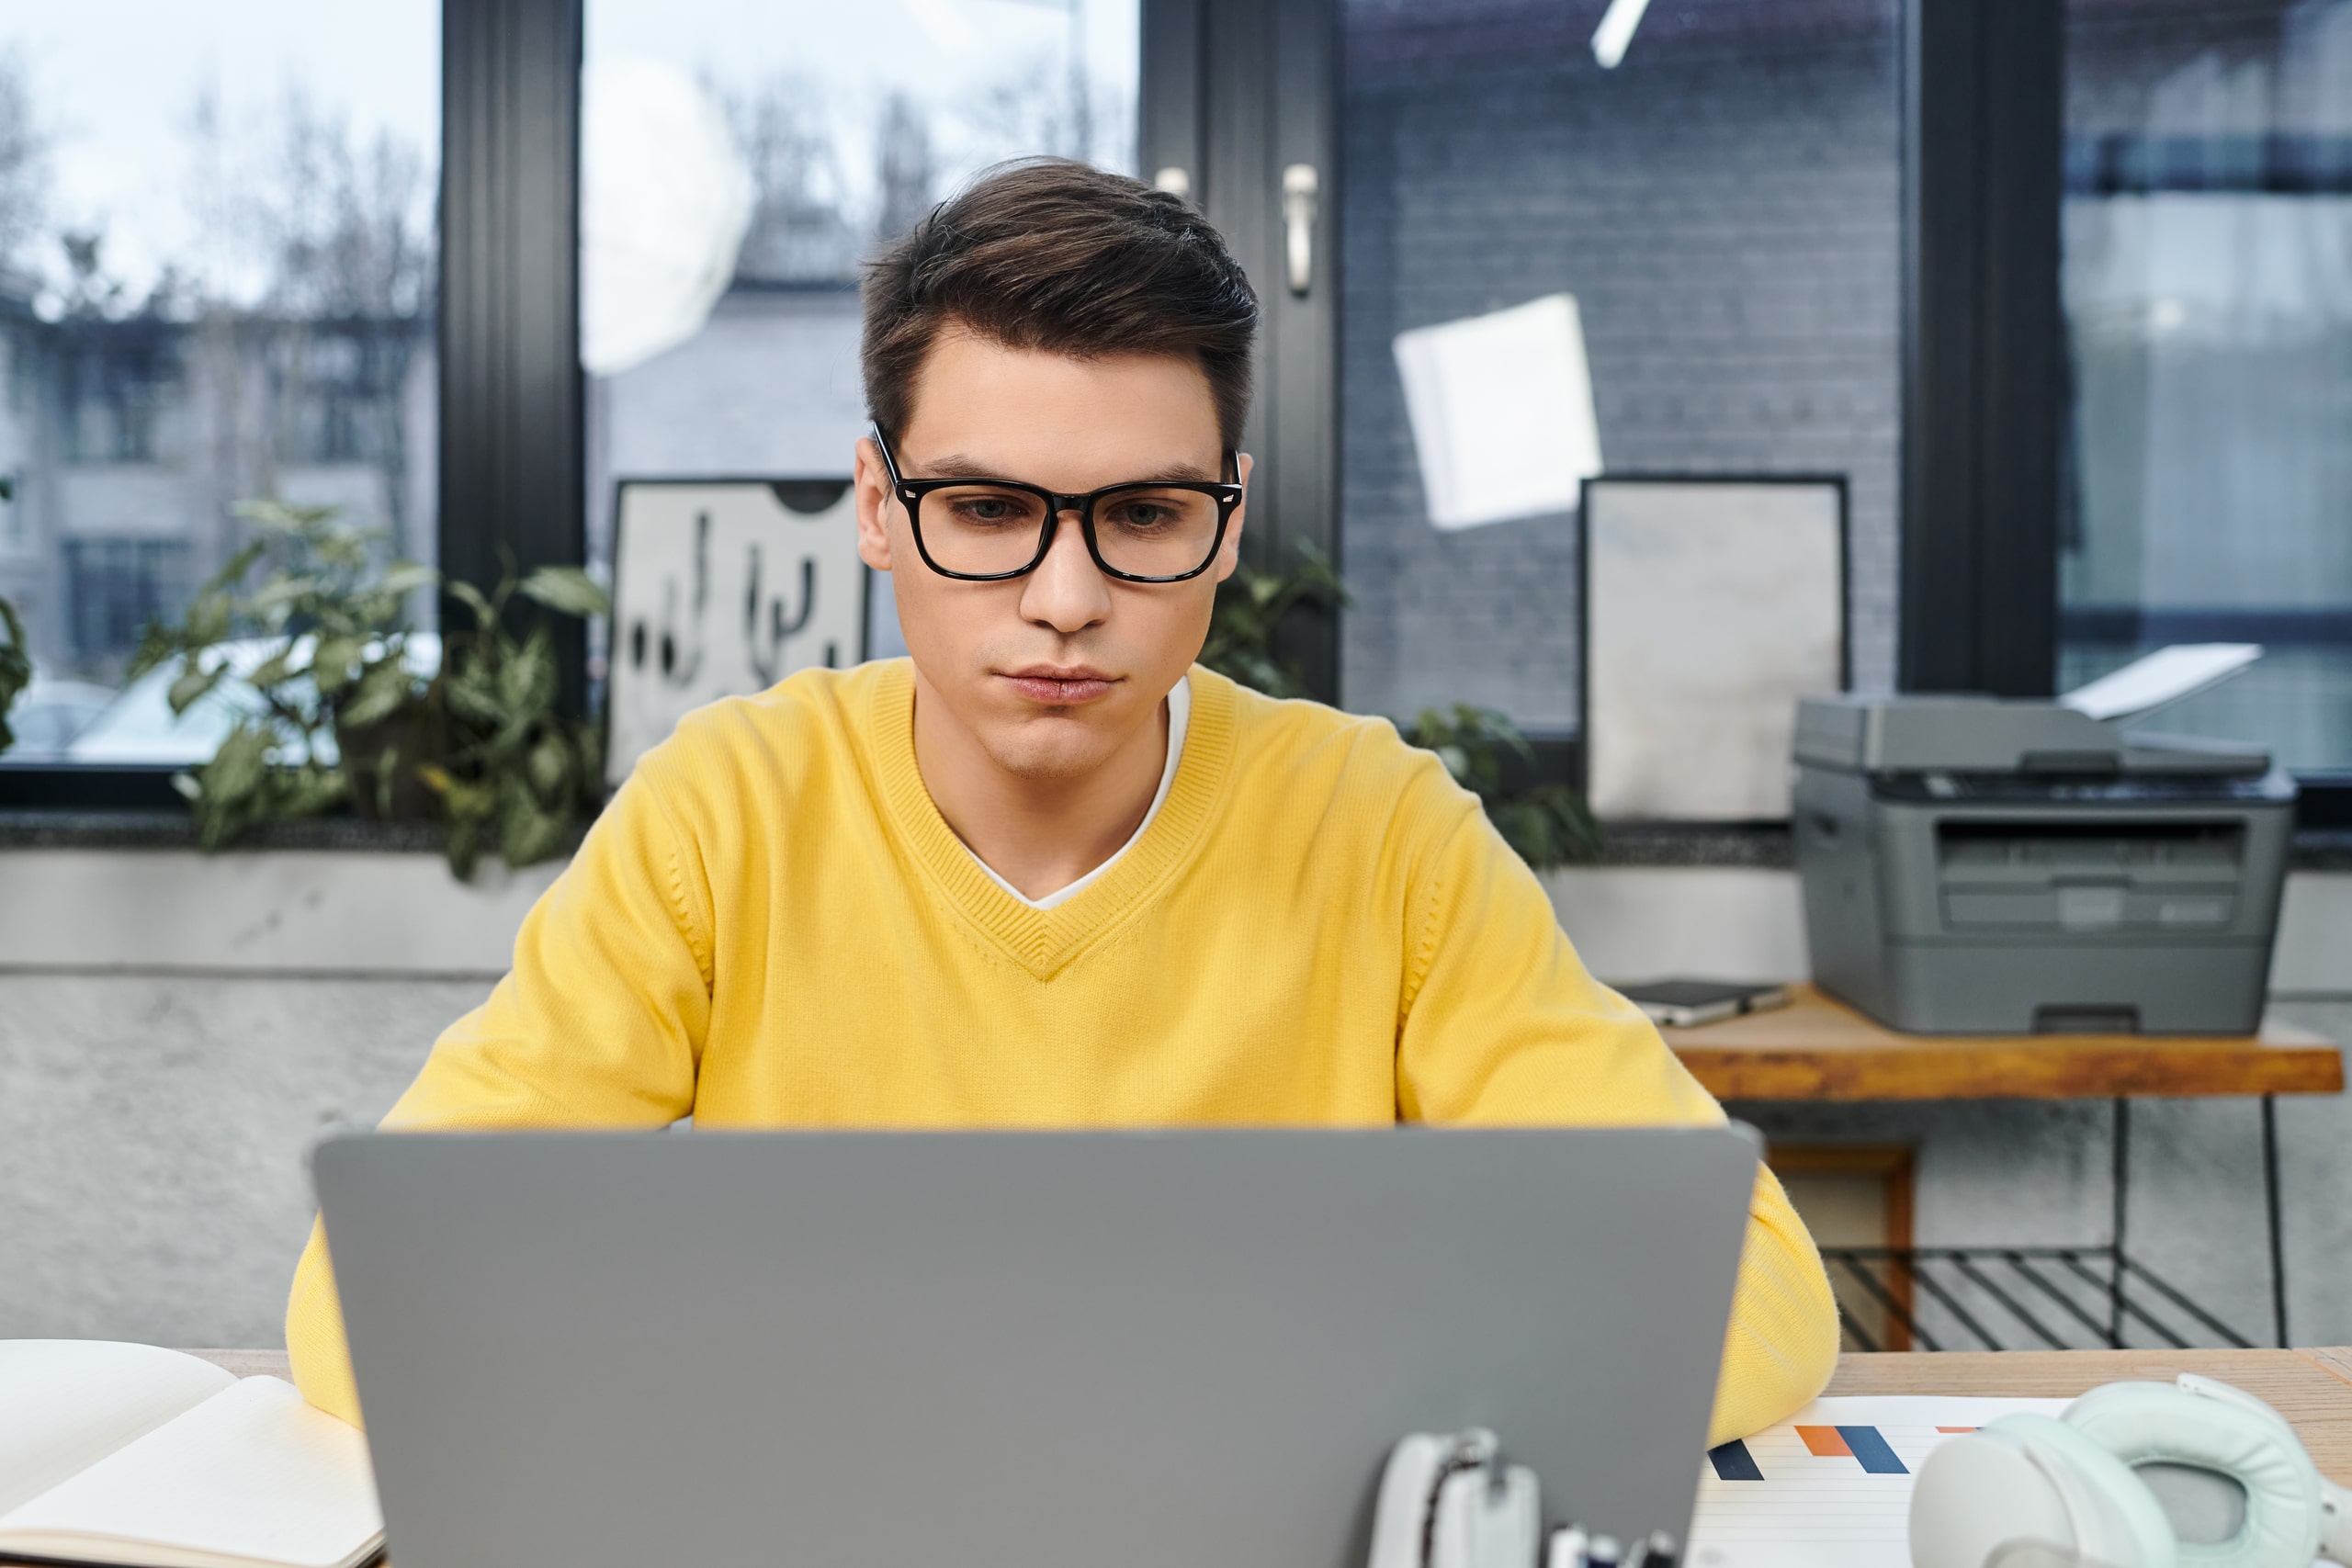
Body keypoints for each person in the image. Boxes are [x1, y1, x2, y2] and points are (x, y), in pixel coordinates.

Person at [284, 157, 1838, 1440]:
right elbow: (368, 1305)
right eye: (988, 510)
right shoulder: (728, 812)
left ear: (1227, 527)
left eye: (1145, 514)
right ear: (881, 511)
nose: (1066, 597)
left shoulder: (1382, 832)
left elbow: (1750, 1287)